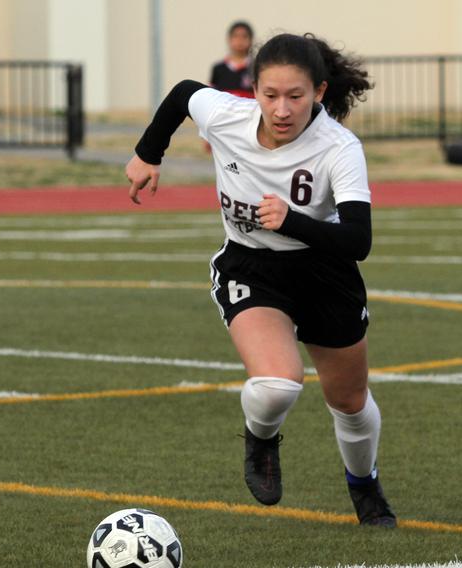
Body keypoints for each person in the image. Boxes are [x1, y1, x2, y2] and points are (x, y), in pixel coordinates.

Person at [125, 32, 396, 528]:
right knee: (276, 384)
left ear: (318, 90)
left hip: (324, 272)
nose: (282, 108)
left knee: (351, 403)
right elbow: (185, 92)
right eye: (270, 95)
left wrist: (292, 219)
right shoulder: (229, 115)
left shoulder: (339, 147)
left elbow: (358, 239)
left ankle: (364, 487)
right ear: (253, 89)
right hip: (252, 267)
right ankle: (262, 440)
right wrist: (149, 153)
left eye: (296, 96)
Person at [209, 21, 255, 98]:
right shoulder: (218, 68)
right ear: (229, 39)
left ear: (251, 40)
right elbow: (212, 95)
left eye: (244, 36)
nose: (240, 40)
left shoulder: (256, 67)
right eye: (236, 36)